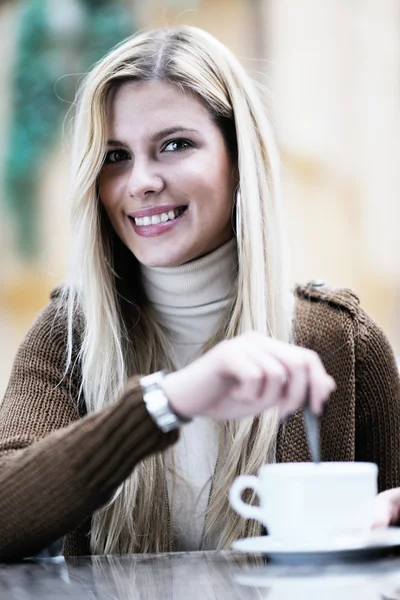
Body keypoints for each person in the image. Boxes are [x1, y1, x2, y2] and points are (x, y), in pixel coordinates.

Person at [0, 26, 399, 561]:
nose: (140, 181)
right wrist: (171, 400)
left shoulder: (342, 342)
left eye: (174, 145)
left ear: (239, 162)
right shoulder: (68, 337)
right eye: (115, 156)